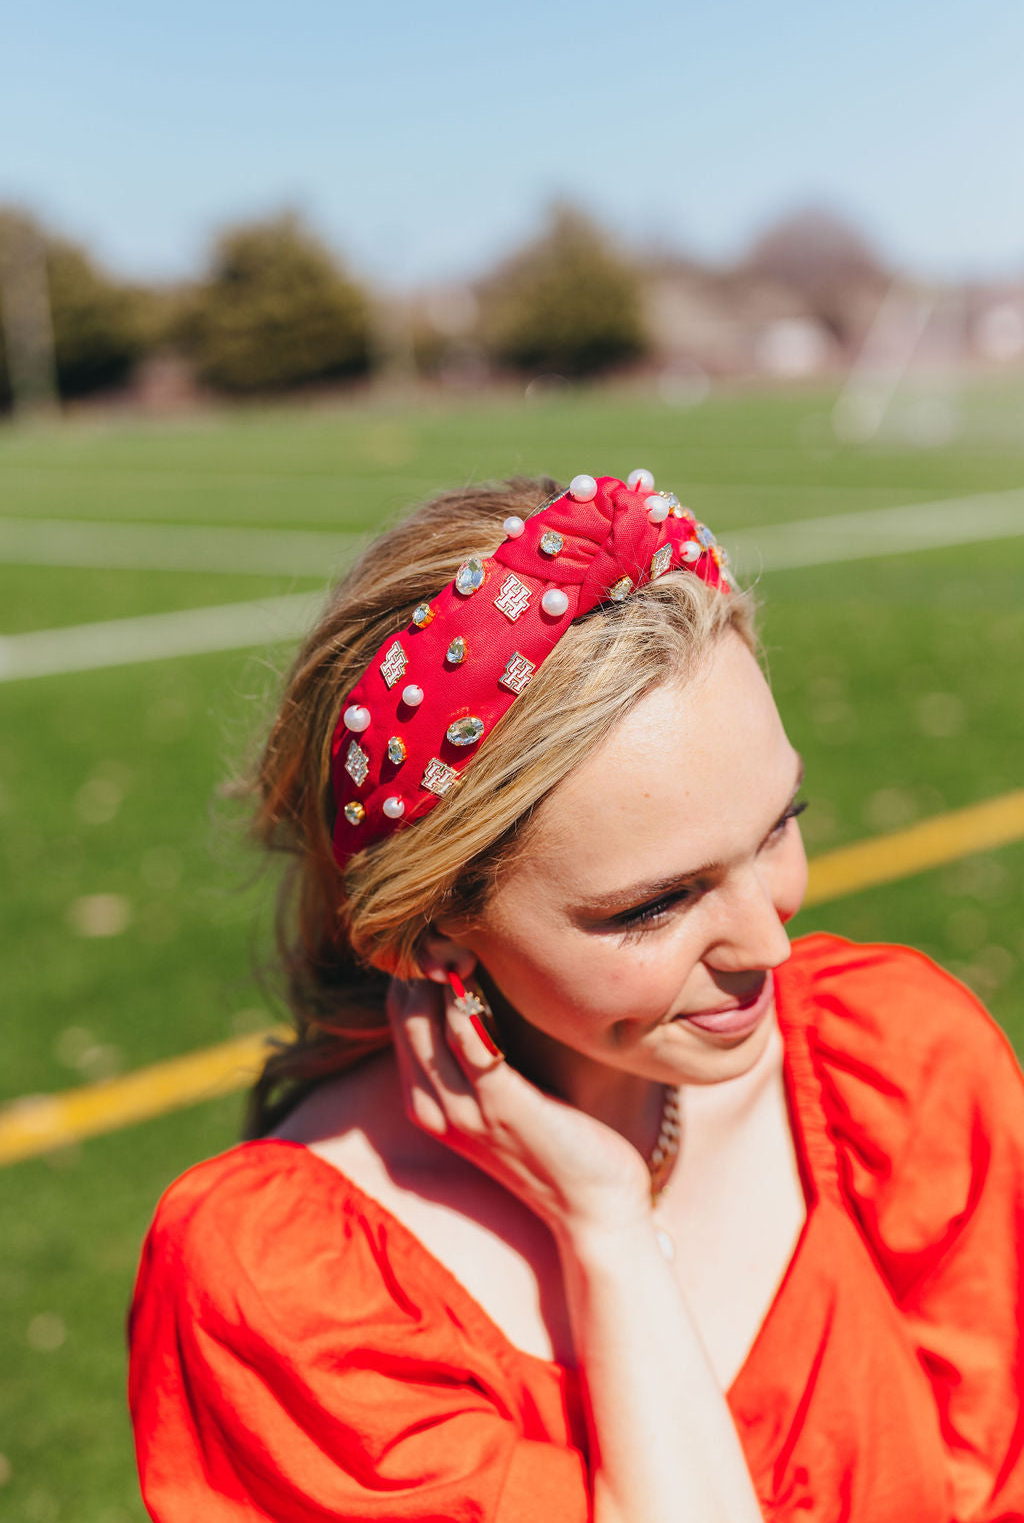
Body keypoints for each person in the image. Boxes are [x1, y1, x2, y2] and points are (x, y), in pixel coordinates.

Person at [128, 471, 1024, 1522]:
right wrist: (608, 1232)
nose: (769, 939)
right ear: (427, 929)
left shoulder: (896, 1064)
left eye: (780, 823)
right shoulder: (290, 1290)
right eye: (657, 903)